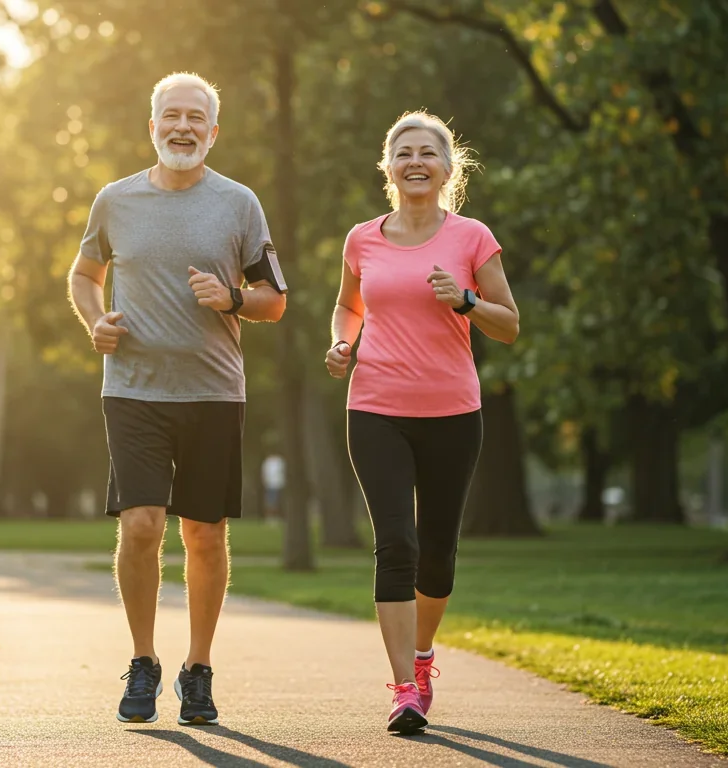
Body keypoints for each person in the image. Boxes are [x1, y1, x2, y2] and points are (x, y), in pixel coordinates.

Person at [66, 72, 288, 726]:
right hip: (133, 391)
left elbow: (276, 300)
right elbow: (84, 275)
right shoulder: (115, 200)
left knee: (205, 534)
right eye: (172, 116)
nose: (183, 127)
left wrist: (234, 300)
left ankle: (197, 667)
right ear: (153, 125)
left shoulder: (239, 204)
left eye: (196, 118)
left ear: (212, 132)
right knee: (140, 525)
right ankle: (143, 660)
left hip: (214, 393)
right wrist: (94, 321)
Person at [324, 111, 520, 733]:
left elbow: (509, 324)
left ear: (445, 168)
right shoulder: (363, 238)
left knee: (437, 554)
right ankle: (405, 688)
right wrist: (341, 344)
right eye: (403, 152)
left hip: (452, 413)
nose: (415, 161)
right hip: (375, 407)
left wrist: (464, 300)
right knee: (397, 545)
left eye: (427, 153)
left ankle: (424, 654)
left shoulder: (471, 238)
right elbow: (346, 307)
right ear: (387, 166)